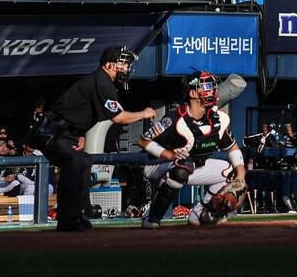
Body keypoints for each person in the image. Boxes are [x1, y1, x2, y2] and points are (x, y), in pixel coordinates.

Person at [34, 46, 156, 232]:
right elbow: (118, 117)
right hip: (51, 131)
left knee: (84, 161)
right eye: (122, 63)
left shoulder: (101, 82)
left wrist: (79, 134)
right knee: (74, 163)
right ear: (109, 65)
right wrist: (144, 113)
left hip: (65, 132)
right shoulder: (102, 83)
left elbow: (81, 111)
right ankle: (67, 219)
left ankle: (77, 213)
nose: (126, 68)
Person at [138, 71, 247, 228]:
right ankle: (152, 218)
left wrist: (241, 175)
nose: (213, 90)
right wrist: (168, 154)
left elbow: (233, 148)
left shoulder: (217, 119)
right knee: (183, 167)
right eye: (208, 86)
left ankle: (199, 214)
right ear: (193, 93)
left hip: (192, 164)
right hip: (157, 163)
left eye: (213, 86)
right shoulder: (174, 118)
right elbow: (143, 141)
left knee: (231, 172)